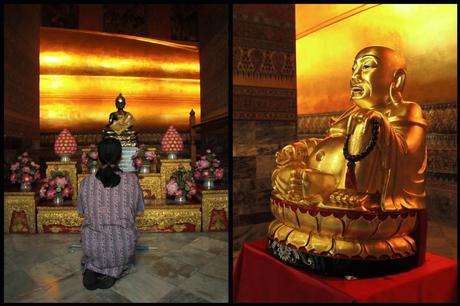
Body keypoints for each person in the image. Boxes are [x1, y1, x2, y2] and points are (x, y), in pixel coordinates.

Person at [272, 46, 427, 211]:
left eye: (366, 67)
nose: (355, 76)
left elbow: (407, 152)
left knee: (367, 125)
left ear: (396, 80)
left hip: (355, 189)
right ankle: (314, 187)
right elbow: (331, 142)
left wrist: (379, 124)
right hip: (329, 177)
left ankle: (355, 195)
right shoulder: (352, 113)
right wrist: (303, 148)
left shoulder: (405, 110)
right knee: (283, 174)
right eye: (354, 69)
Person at [77, 138, 144, 290]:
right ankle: (113, 272)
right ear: (120, 157)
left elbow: (82, 212)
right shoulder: (132, 181)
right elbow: (136, 211)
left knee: (91, 232)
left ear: (98, 157)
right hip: (123, 248)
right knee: (124, 232)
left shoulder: (86, 182)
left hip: (92, 247)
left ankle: (92, 268)